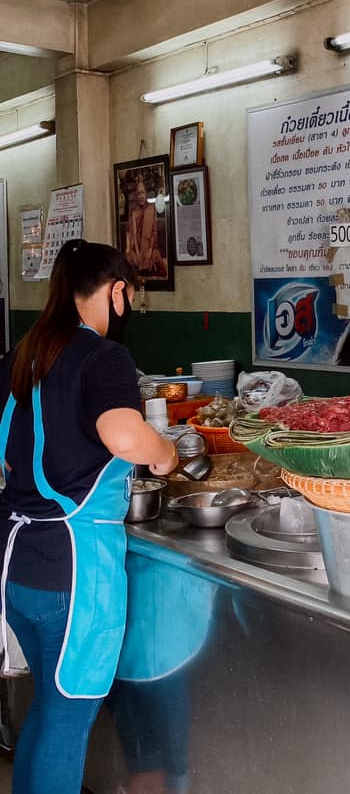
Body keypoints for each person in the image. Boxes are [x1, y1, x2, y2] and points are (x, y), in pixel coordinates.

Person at [0, 239, 179, 794]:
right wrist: (167, 454)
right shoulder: (102, 356)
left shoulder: (22, 354)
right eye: (128, 295)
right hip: (72, 573)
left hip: (17, 564)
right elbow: (123, 434)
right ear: (115, 291)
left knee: (50, 711)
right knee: (68, 716)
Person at [125, 174, 167, 277]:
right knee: (130, 259)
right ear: (136, 195)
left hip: (150, 248)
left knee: (157, 258)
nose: (141, 196)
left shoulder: (152, 209)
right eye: (138, 194)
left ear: (146, 194)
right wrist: (138, 253)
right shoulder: (134, 212)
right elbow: (134, 235)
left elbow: (154, 232)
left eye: (142, 193)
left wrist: (149, 251)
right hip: (138, 249)